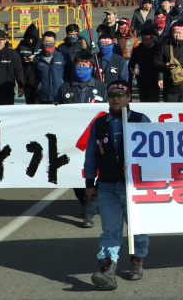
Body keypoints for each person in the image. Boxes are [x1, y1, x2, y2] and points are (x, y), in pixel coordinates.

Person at [86, 81, 151, 289]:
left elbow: (154, 151)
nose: (116, 98)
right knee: (110, 230)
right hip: (107, 186)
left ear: (129, 97)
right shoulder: (99, 123)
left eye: (120, 94)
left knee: (137, 228)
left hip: (134, 186)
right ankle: (107, 267)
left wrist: (140, 167)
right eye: (112, 94)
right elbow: (91, 156)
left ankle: (136, 259)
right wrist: (90, 183)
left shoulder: (141, 120)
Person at [59, 54, 108, 228]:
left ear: (92, 67)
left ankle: (89, 212)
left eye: (85, 65)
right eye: (78, 65)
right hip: (74, 142)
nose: (81, 68)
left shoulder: (102, 87)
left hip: (98, 141)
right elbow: (56, 111)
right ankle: (87, 204)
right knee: (76, 178)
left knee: (95, 177)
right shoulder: (65, 87)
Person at [129, 26, 164, 103]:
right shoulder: (138, 50)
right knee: (143, 102)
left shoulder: (159, 48)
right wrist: (133, 70)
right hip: (142, 81)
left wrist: (161, 78)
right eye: (143, 40)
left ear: (152, 39)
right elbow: (131, 63)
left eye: (147, 40)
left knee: (153, 102)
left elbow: (162, 64)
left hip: (154, 81)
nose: (144, 42)